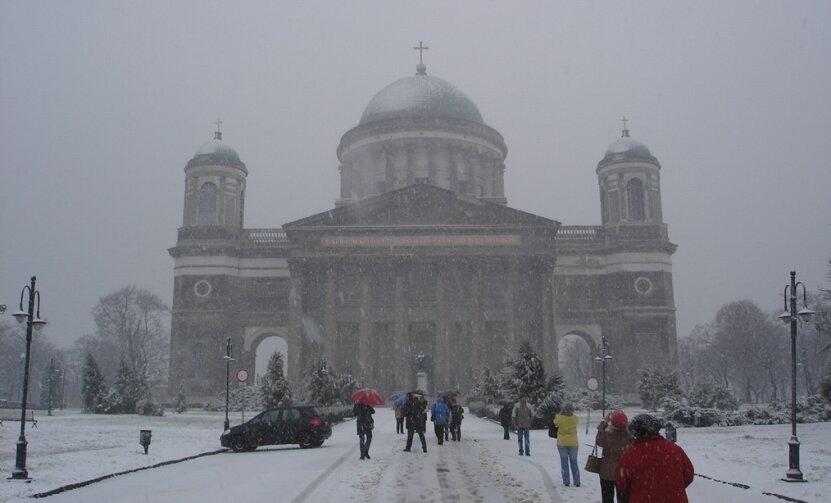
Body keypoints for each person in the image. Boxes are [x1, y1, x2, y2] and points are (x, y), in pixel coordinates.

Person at [616, 413, 694, 503]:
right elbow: (688, 475)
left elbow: (622, 485)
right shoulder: (675, 450)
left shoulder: (629, 456)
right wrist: (672, 489)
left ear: (635, 432)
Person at [596, 409, 631, 502]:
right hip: (624, 473)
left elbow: (599, 442)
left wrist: (603, 423)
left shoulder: (607, 435)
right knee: (623, 499)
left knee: (607, 498)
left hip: (607, 472)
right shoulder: (629, 436)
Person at [553, 403, 580, 487]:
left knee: (564, 462)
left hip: (562, 442)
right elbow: (577, 421)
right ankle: (577, 481)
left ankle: (566, 481)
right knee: (574, 462)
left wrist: (560, 414)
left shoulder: (559, 418)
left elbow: (555, 423)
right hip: (573, 443)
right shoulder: (575, 418)